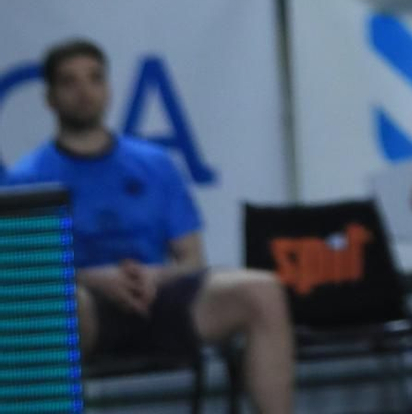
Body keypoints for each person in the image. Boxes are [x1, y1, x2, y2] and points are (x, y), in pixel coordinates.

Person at [1, 40, 294, 411]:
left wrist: (154, 276)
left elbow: (191, 259)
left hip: (161, 297)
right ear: (50, 98)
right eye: (69, 82)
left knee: (262, 290)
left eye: (94, 79)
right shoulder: (27, 179)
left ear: (108, 89)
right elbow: (25, 280)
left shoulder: (154, 163)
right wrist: (94, 278)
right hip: (88, 309)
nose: (84, 92)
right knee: (53, 306)